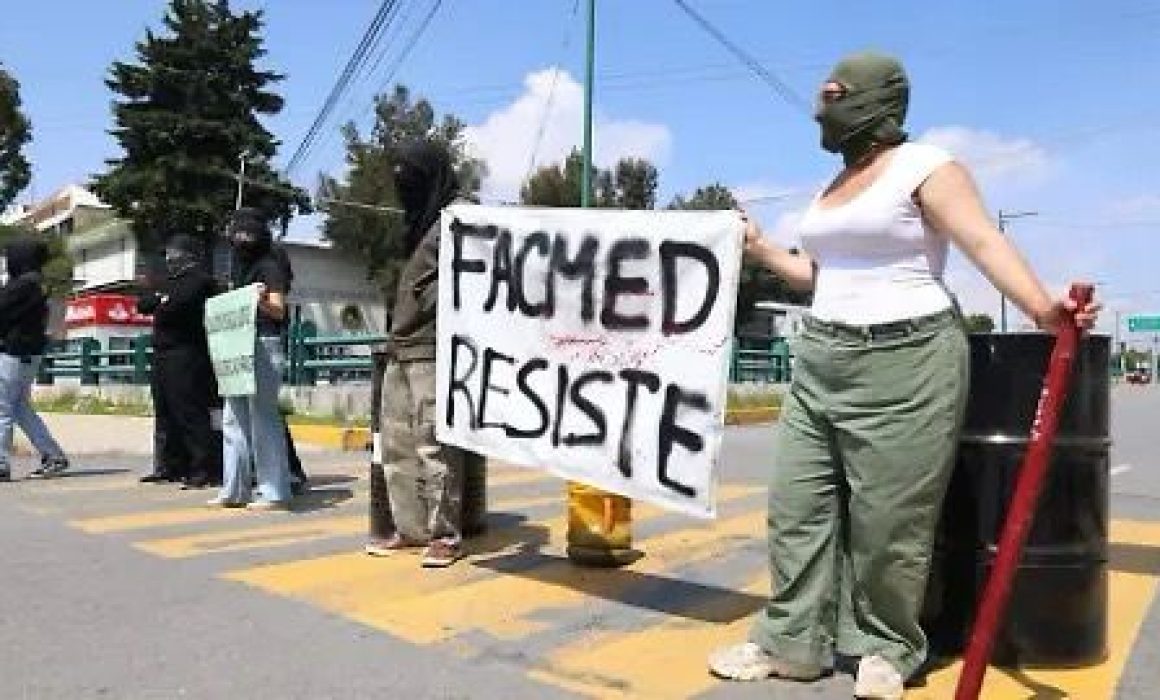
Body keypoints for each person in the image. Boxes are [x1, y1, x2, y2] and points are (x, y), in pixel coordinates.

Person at [706, 51, 1099, 699]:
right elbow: (820, 274)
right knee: (797, 509)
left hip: (907, 357)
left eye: (833, 94)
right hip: (822, 356)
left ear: (874, 97)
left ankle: (887, 646)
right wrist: (761, 248)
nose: (819, 108)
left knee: (890, 523)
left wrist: (1041, 306)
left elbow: (981, 242)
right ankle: (791, 644)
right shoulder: (831, 187)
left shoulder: (927, 166)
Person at [363, 141, 465, 568]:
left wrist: (429, 299)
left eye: (412, 173)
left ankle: (446, 535)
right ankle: (410, 529)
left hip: (432, 347)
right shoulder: (420, 221)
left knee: (433, 444)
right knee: (396, 446)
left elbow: (468, 275)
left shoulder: (456, 217)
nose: (403, 182)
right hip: (399, 346)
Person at [208, 208, 293, 510]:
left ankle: (274, 491)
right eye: (237, 231)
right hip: (237, 345)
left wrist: (257, 301)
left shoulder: (269, 266)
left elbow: (279, 310)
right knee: (233, 418)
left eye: (247, 231)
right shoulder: (237, 269)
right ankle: (234, 490)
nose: (241, 237)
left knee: (262, 418)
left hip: (263, 344)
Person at [136, 235, 222, 489]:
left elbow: (177, 305)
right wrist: (161, 299)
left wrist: (162, 300)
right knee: (164, 411)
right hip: (163, 354)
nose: (168, 258)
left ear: (187, 254)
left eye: (173, 253)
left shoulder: (200, 280)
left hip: (186, 353)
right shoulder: (170, 282)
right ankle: (168, 466)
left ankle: (201, 468)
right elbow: (144, 304)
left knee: (189, 411)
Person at [0, 236, 70, 481]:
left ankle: (1, 463)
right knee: (20, 409)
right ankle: (53, 456)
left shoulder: (21, 286)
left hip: (13, 352)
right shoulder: (36, 284)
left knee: (3, 408)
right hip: (29, 354)